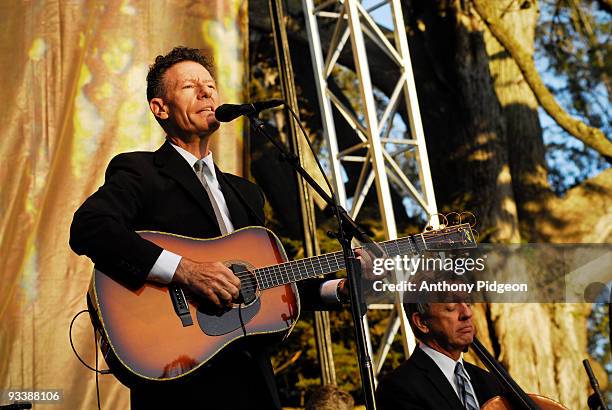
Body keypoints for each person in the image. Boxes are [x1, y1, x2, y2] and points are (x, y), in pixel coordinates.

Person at [70, 46, 360, 409]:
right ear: (160, 108)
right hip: (179, 379)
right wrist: (184, 271)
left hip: (254, 382)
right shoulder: (140, 172)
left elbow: (273, 281)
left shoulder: (247, 194)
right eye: (190, 86)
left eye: (210, 85)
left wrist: (341, 288)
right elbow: (89, 227)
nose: (207, 92)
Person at [376, 298, 503, 409]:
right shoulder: (397, 388)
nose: (467, 313)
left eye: (468, 304)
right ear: (421, 322)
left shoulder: (489, 381)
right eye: (451, 307)